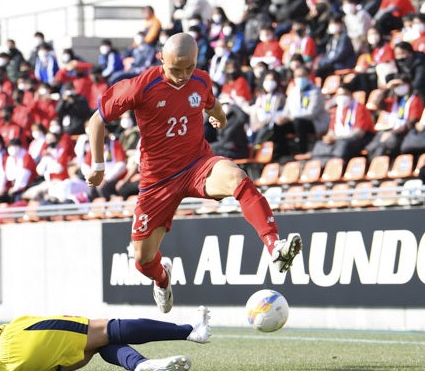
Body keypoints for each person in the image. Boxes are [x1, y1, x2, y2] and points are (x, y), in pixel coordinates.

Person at [86, 33, 302, 313]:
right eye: (176, 69)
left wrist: (220, 118)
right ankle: (162, 278)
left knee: (238, 178)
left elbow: (212, 105)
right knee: (142, 260)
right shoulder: (140, 86)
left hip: (197, 164)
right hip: (157, 180)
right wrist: (99, 166)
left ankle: (275, 246)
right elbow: (96, 121)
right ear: (161, 58)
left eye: (189, 68)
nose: (183, 76)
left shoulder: (200, 80)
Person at [0, 267, 212, 371]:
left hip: (15, 367)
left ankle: (140, 366)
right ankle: (190, 331)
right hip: (15, 340)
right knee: (106, 327)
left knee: (99, 341)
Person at [311, 84, 376, 164]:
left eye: (344, 95)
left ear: (351, 95)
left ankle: (337, 167)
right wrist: (328, 138)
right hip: (340, 138)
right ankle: (321, 168)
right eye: (339, 95)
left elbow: (359, 133)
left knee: (342, 145)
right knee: (320, 145)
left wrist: (337, 138)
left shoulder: (360, 108)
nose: (341, 97)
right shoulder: (337, 110)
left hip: (361, 139)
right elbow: (331, 130)